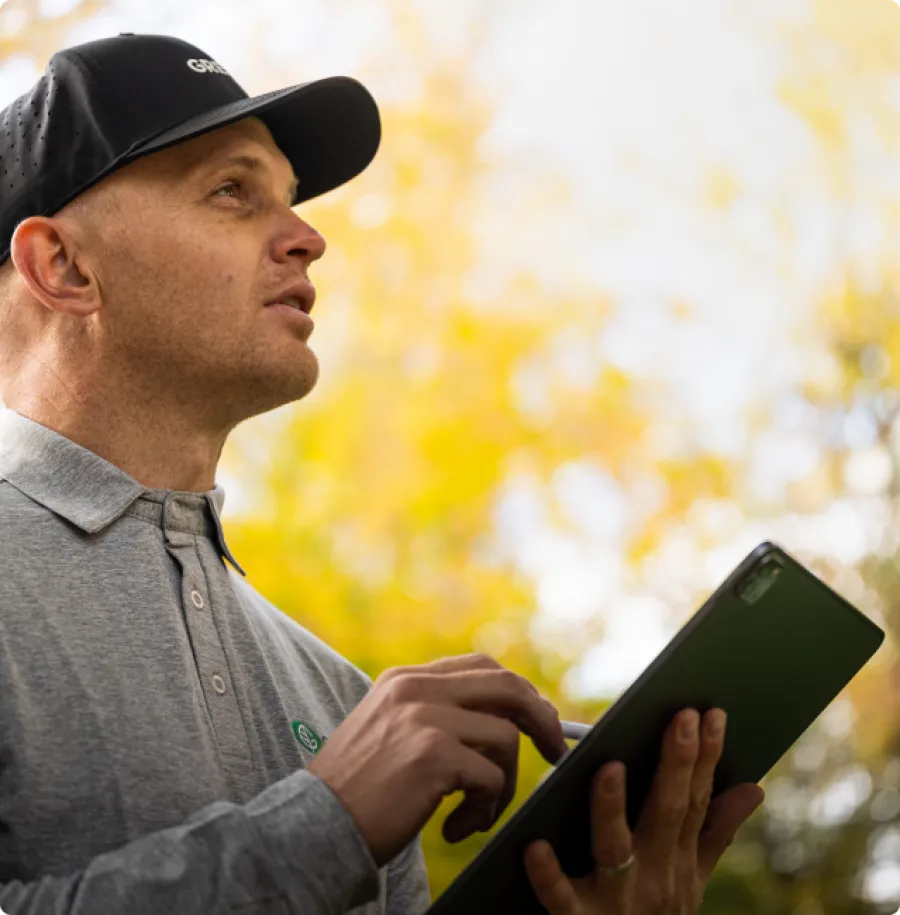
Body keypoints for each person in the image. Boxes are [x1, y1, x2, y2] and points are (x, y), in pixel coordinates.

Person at [0, 32, 764, 915]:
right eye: (232, 191)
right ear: (62, 266)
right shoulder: (363, 758)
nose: (309, 238)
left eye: (288, 200)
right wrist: (328, 824)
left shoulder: (336, 696)